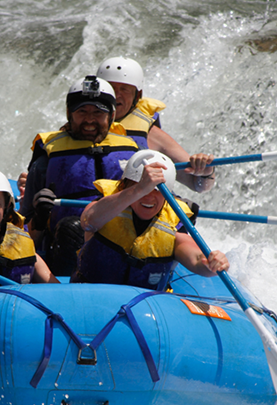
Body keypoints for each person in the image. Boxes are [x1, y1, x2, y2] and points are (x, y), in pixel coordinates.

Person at [19, 75, 139, 275]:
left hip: (120, 246)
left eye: (98, 112)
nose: (89, 120)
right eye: (82, 111)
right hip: (64, 249)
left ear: (111, 115)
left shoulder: (133, 153)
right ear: (69, 114)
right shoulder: (44, 163)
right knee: (71, 228)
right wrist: (39, 218)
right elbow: (25, 232)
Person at [72, 150, 229, 289]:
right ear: (125, 187)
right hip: (92, 294)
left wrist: (211, 263)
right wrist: (139, 188)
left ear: (168, 194)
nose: (148, 196)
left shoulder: (173, 226)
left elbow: (196, 259)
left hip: (144, 307)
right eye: (144, 188)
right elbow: (88, 220)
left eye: (157, 189)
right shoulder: (108, 206)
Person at [96, 57, 215, 193]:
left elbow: (197, 184)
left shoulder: (151, 135)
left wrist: (206, 172)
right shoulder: (81, 127)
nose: (117, 95)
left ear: (137, 95)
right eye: (110, 88)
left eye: (124, 89)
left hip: (136, 211)